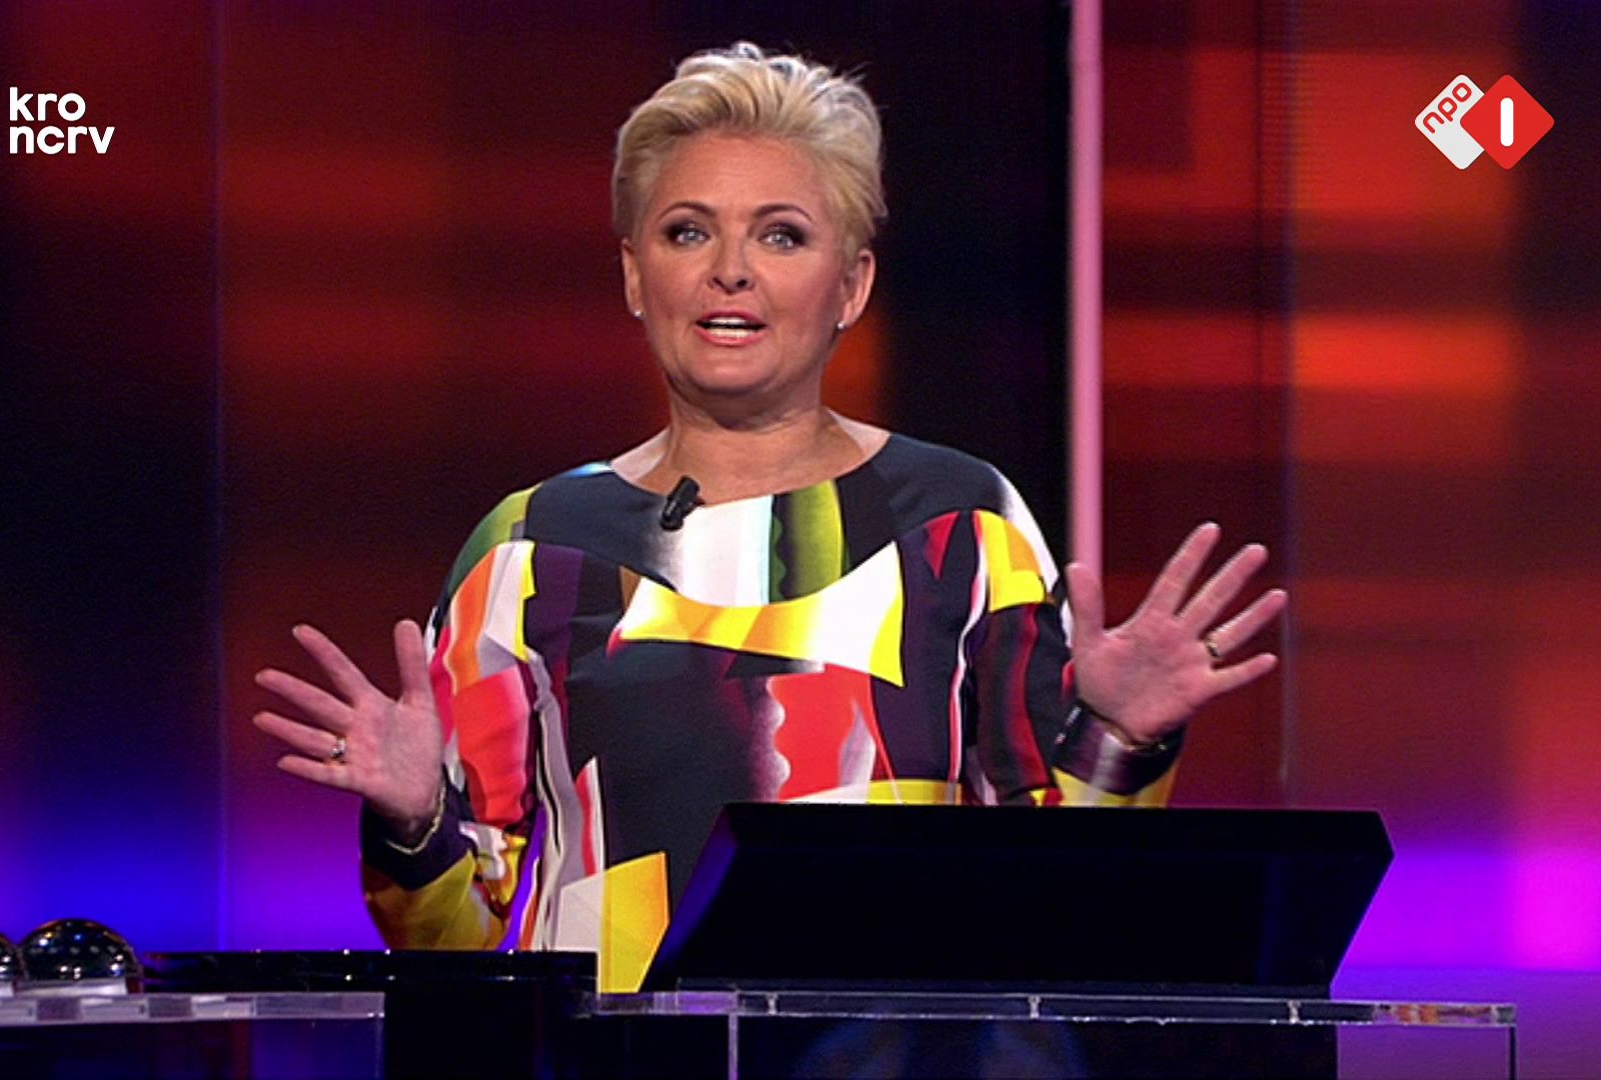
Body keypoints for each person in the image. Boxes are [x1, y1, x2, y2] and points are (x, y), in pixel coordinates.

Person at [253, 42, 1286, 996]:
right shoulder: (533, 548)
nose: (730, 270)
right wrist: (413, 823)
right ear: (634, 273)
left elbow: (1055, 904)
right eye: (687, 231)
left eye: (781, 235)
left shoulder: (963, 526)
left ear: (851, 285)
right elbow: (457, 945)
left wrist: (1121, 738)